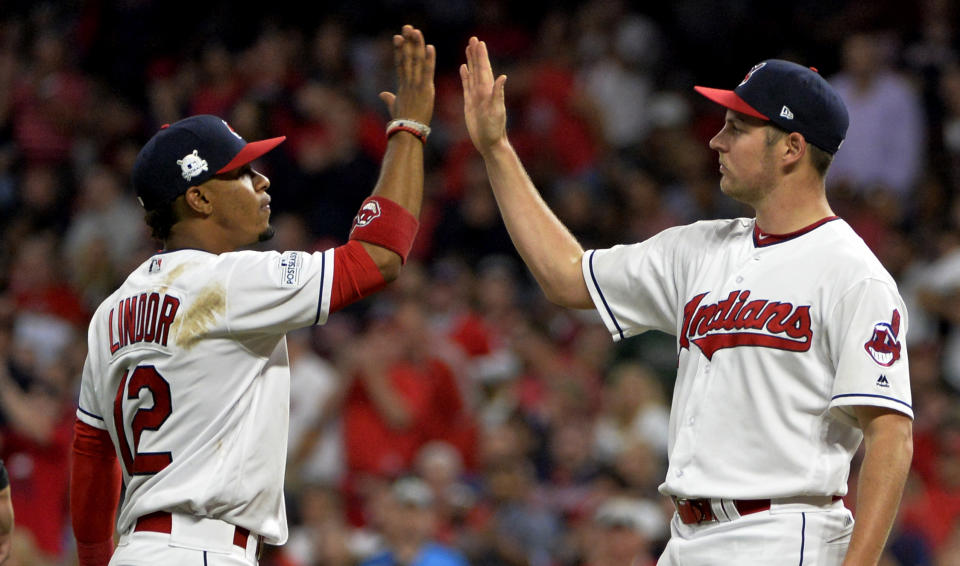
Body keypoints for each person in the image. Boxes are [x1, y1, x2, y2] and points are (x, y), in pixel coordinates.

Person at [461, 38, 913, 566]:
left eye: (738, 129)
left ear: (792, 148)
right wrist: (497, 150)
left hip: (784, 534)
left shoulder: (853, 276)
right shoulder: (697, 249)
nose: (716, 141)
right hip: (685, 538)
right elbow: (566, 278)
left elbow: (890, 435)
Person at [68, 25, 435, 566]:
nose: (263, 182)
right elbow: (380, 256)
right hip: (206, 548)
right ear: (198, 198)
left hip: (139, 549)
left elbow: (92, 456)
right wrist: (410, 129)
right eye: (241, 173)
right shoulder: (230, 281)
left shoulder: (110, 311)